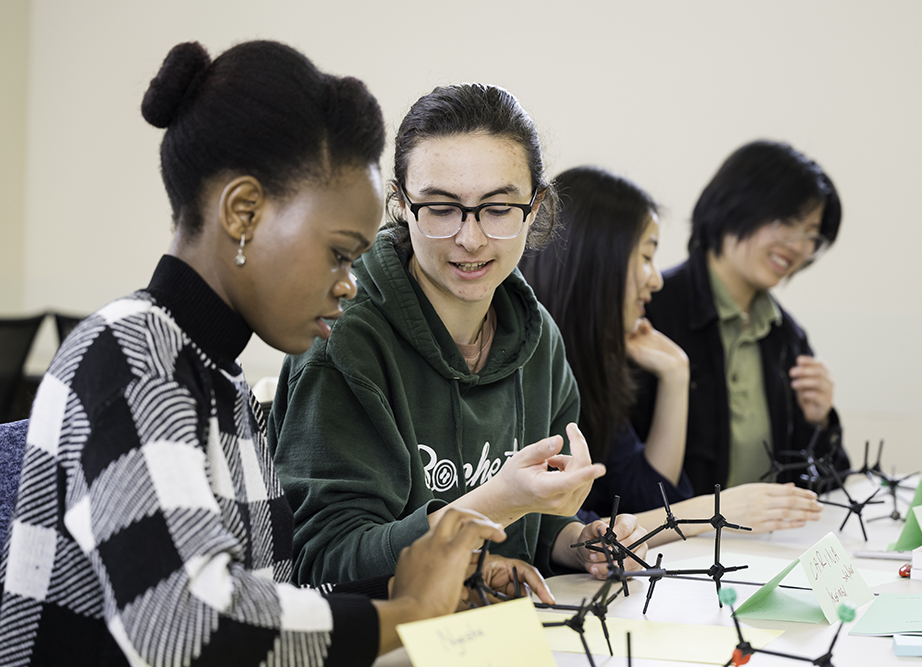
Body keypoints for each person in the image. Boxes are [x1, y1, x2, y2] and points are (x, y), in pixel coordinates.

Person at [0, 41, 551, 667]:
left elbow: (265, 600)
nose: (349, 282)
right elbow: (186, 628)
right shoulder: (132, 356)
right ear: (243, 213)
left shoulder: (217, 379)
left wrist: (408, 589)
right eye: (340, 252)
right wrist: (405, 616)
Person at [268, 84, 646, 587]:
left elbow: (536, 524)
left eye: (498, 208)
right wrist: (498, 501)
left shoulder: (536, 336)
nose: (470, 238)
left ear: (535, 208)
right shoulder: (344, 338)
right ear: (401, 205)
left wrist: (577, 543)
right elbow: (325, 562)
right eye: (442, 208)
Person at [522, 166, 824, 544]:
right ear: (600, 260)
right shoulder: (532, 365)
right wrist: (715, 511)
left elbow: (647, 497)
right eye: (646, 256)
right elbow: (567, 535)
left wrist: (676, 375)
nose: (656, 278)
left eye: (811, 235)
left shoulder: (595, 360)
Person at [631, 140, 849, 501]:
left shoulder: (787, 336)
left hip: (764, 546)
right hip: (678, 545)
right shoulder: (652, 311)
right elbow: (624, 476)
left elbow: (824, 489)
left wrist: (821, 422)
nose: (798, 246)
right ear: (735, 204)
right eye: (786, 222)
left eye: (812, 234)